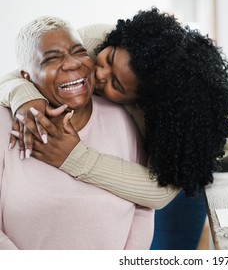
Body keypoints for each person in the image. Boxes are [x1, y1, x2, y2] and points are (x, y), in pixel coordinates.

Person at [1, 8, 228, 249]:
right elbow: (23, 71)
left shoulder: (156, 122)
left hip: (169, 179)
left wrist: (73, 157)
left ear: (139, 102)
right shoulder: (95, 40)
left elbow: (157, 195)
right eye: (109, 58)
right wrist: (23, 97)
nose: (98, 72)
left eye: (115, 84)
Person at [0, 16, 154, 249]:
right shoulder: (5, 123)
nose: (71, 64)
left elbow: (143, 208)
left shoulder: (122, 119)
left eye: (79, 52)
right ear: (26, 77)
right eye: (51, 58)